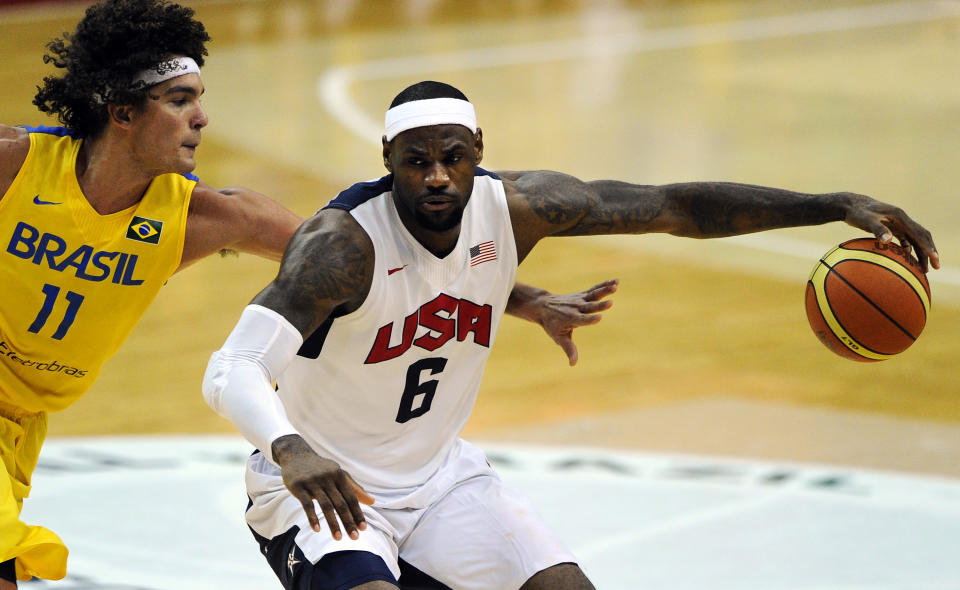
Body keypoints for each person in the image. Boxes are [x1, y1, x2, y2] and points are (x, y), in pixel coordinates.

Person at [202, 79, 940, 590]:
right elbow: (231, 367)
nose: (436, 177)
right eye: (417, 161)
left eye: (453, 157)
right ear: (387, 163)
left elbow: (675, 207)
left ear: (479, 150)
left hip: (441, 480)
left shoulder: (522, 208)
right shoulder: (340, 245)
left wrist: (835, 203)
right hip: (325, 489)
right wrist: (289, 447)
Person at [0, 3, 615, 586]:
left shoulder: (206, 216)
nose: (202, 118)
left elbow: (377, 260)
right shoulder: (17, 166)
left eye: (200, 101)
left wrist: (522, 297)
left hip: (21, 424)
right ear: (122, 111)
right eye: (180, 100)